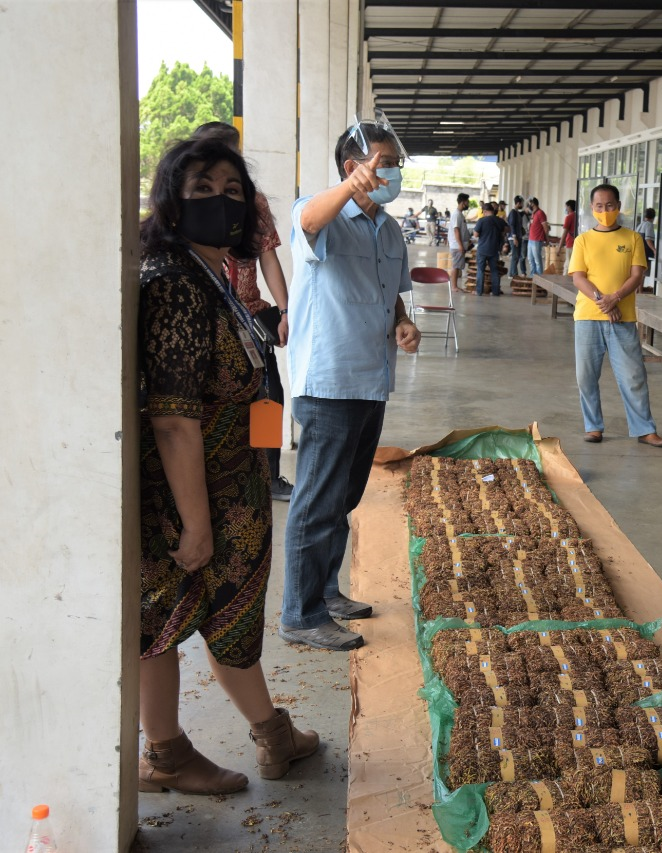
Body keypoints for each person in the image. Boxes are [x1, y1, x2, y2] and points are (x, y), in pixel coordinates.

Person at [137, 137, 319, 795]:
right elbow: (173, 418)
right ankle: (169, 753)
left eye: (234, 191)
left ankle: (273, 735)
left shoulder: (208, 272)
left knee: (225, 618)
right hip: (197, 495)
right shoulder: (176, 284)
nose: (222, 202)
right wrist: (195, 522)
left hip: (233, 484)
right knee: (165, 622)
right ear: (172, 201)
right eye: (204, 189)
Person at [280, 119, 422, 652]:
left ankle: (325, 591)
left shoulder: (388, 228)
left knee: (344, 494)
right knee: (316, 499)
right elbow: (310, 221)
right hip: (330, 381)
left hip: (371, 379)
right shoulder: (317, 213)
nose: (393, 174)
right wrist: (346, 189)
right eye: (384, 163)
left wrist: (401, 321)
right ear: (353, 167)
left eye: (394, 165)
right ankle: (300, 613)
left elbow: (390, 292)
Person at [191, 121, 293, 502]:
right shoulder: (184, 204)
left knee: (268, 398)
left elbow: (269, 257)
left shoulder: (254, 202)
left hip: (250, 320)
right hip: (206, 320)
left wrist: (284, 311)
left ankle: (268, 476)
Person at [569, 183, 662, 449]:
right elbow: (579, 277)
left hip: (622, 318)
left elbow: (637, 275)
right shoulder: (583, 240)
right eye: (599, 206)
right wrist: (604, 300)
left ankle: (644, 429)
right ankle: (593, 427)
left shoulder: (632, 238)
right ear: (592, 209)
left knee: (633, 375)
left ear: (618, 207)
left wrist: (616, 298)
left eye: (610, 205)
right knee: (586, 376)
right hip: (589, 317)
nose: (605, 210)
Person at [470, 202, 508, 296]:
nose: (483, 214)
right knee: (494, 271)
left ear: (486, 211)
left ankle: (479, 291)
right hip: (494, 250)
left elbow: (475, 235)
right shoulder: (499, 220)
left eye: (483, 212)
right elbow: (508, 229)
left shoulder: (482, 220)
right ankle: (495, 292)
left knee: (481, 270)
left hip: (482, 249)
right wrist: (501, 233)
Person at [448, 192, 471, 293]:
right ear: (463, 202)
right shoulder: (456, 214)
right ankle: (454, 286)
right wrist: (460, 245)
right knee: (456, 266)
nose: (468, 204)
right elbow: (456, 230)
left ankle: (455, 285)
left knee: (458, 266)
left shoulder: (460, 214)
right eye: (467, 202)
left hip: (459, 245)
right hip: (457, 246)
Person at [527, 197, 548, 276]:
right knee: (530, 259)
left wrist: (547, 240)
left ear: (533, 203)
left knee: (537, 260)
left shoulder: (540, 213)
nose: (528, 205)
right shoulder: (533, 213)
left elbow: (545, 227)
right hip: (531, 239)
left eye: (529, 203)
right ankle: (533, 276)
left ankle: (539, 278)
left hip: (537, 240)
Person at [508, 195, 528, 277]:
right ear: (518, 203)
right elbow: (512, 225)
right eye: (522, 203)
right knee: (515, 256)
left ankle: (511, 273)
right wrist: (514, 237)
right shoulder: (513, 212)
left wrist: (524, 212)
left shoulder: (516, 212)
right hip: (514, 238)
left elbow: (521, 213)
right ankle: (513, 274)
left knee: (516, 256)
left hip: (518, 237)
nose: (523, 205)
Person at [562, 199, 578, 272]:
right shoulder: (577, 216)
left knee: (568, 264)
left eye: (566, 207)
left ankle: (565, 280)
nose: (565, 209)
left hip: (570, 243)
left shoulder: (569, 217)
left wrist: (559, 247)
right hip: (576, 243)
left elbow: (564, 233)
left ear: (569, 207)